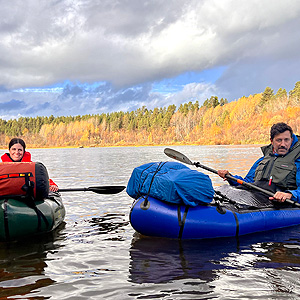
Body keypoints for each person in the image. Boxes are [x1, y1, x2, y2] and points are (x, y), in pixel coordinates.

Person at [217, 122, 300, 203]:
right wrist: (230, 177)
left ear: (291, 140)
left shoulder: (297, 161)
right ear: (272, 141)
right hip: (255, 197)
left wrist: (289, 195)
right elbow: (247, 182)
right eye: (279, 140)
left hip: (276, 202)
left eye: (286, 140)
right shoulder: (263, 159)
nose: (283, 144)